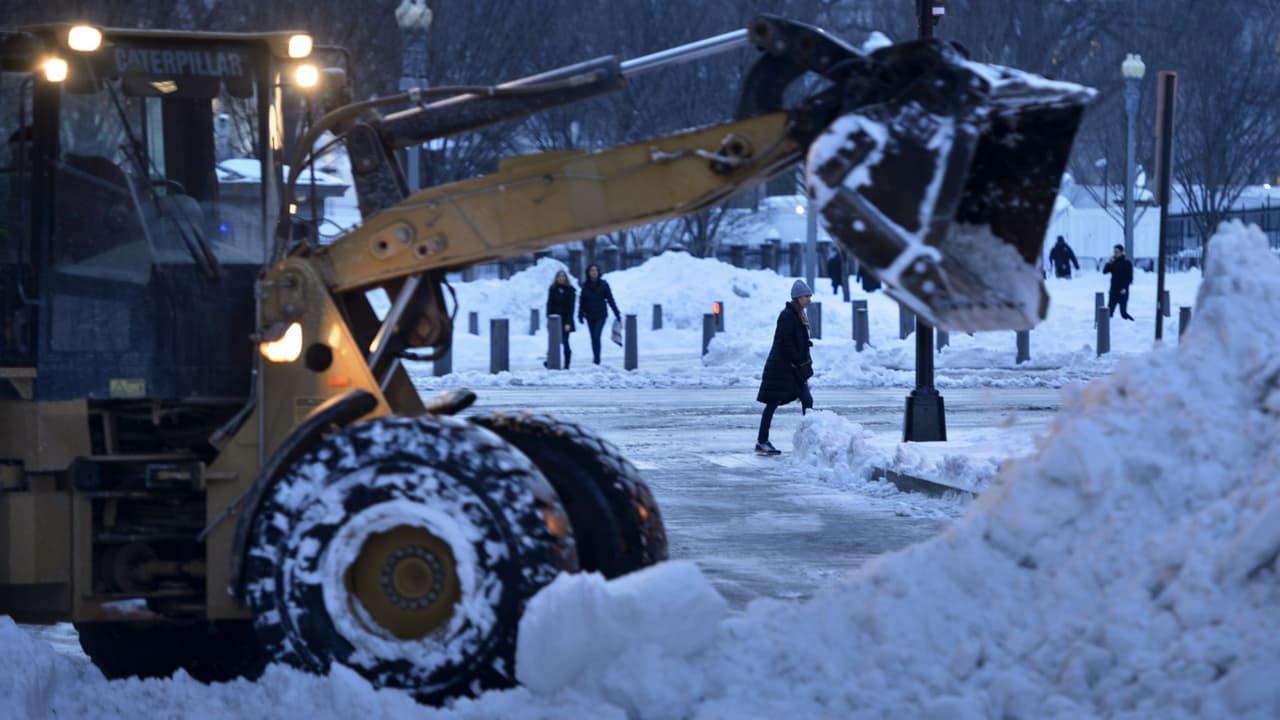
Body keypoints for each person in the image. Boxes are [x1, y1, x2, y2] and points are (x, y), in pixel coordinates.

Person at [754, 279, 815, 455]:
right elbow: (784, 343)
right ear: (797, 297)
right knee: (772, 403)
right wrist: (797, 360)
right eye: (806, 296)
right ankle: (762, 441)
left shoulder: (798, 314)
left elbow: (794, 340)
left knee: (807, 400)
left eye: (810, 295)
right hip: (782, 369)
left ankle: (810, 439)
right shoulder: (788, 316)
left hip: (794, 369)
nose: (809, 299)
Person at [577, 263, 621, 365]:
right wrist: (580, 314)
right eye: (591, 270)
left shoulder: (604, 285)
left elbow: (610, 300)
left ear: (598, 272)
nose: (594, 272)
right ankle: (595, 357)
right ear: (588, 273)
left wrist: (617, 313)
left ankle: (597, 360)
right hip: (589, 315)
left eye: (595, 270)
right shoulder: (585, 286)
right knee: (593, 338)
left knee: (596, 336)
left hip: (601, 315)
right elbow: (582, 301)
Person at [545, 269, 576, 369]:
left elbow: (571, 308)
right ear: (556, 278)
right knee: (553, 342)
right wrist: (549, 318)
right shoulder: (552, 289)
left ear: (566, 278)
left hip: (566, 320)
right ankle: (550, 360)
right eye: (559, 276)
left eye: (563, 276)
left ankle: (567, 364)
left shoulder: (570, 290)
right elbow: (549, 304)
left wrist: (568, 323)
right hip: (554, 320)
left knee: (565, 342)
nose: (561, 278)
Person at [1103, 244, 1135, 321]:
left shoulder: (1127, 263)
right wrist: (1109, 263)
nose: (1115, 254)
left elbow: (1129, 278)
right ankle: (1105, 328)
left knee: (1123, 313)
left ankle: (1133, 323)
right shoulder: (1114, 263)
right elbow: (1104, 271)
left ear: (1122, 252)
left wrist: (1125, 288)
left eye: (1117, 252)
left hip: (1122, 291)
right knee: (1109, 312)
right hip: (1113, 290)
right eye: (1114, 252)